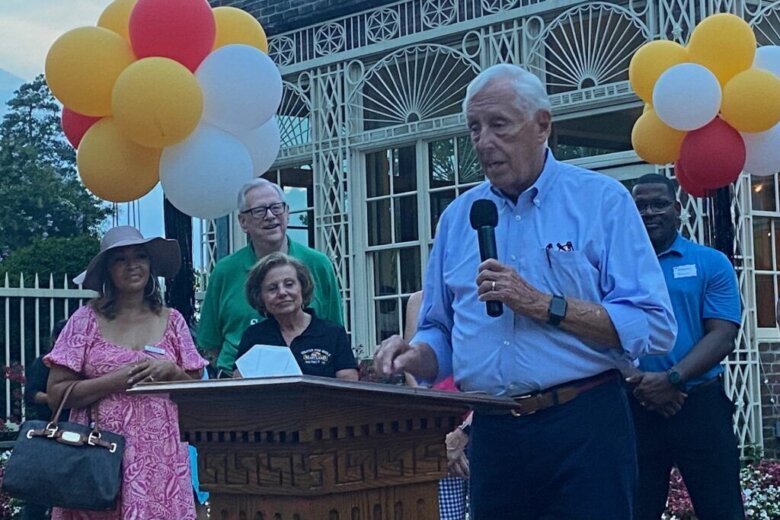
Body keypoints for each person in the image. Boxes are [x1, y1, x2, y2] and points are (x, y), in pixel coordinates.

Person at [374, 63, 676, 519]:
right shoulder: (458, 218)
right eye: (474, 128)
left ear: (542, 125)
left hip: (584, 423)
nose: (483, 142)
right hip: (493, 433)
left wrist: (541, 304)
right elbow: (441, 331)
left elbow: (654, 326)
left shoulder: (602, 201)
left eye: (499, 125)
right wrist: (413, 355)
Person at [44, 226, 208, 520]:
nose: (132, 265)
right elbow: (56, 394)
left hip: (161, 458)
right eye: (120, 259)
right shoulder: (85, 320)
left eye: (140, 256)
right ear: (107, 270)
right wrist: (113, 382)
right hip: (97, 453)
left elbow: (198, 396)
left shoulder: (173, 321)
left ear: (151, 265)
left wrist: (172, 372)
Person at [628, 174, 744, 520]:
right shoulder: (617, 267)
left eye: (659, 204)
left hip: (699, 405)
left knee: (721, 509)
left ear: (677, 208)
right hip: (636, 405)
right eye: (640, 205)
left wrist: (672, 379)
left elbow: (722, 336)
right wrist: (643, 385)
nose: (649, 212)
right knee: (634, 510)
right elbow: (600, 332)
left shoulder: (711, 262)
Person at [198, 178, 343, 376]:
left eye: (276, 208)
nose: (270, 216)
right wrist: (231, 378)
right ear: (243, 221)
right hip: (239, 384)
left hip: (310, 383)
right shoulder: (224, 272)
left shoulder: (319, 265)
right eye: (259, 211)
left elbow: (336, 333)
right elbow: (208, 345)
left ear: (287, 213)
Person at [233, 252, 358, 380]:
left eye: (289, 284)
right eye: (272, 288)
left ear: (302, 287)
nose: (282, 292)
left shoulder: (333, 333)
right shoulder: (253, 336)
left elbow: (348, 382)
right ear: (260, 297)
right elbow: (240, 383)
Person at [403, 291, 470, 520]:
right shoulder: (417, 301)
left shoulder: (480, 296)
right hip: (437, 426)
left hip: (480, 419)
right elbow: (411, 368)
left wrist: (465, 432)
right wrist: (440, 430)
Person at [22, 320, 69, 520]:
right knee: (39, 487)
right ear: (54, 339)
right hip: (46, 429)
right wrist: (54, 397)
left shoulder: (80, 365)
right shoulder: (42, 363)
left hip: (72, 430)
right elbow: (31, 394)